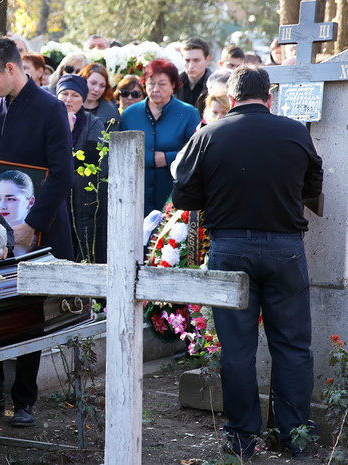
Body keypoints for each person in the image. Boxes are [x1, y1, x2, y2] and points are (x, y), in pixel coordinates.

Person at [172, 65, 323, 460]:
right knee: (292, 346)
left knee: (237, 349)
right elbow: (313, 188)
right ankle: (295, 439)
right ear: (268, 96)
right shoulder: (295, 133)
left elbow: (185, 195)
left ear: (232, 97)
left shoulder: (208, 135)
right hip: (285, 248)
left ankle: (240, 437)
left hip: (230, 247)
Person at [0, 36, 74, 428]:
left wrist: (32, 225)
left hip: (35, 230)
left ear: (11, 68)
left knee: (28, 313)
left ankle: (24, 398)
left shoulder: (51, 108)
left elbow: (63, 174)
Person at [120, 58, 201, 215]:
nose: (155, 88)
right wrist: (149, 158)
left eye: (162, 84)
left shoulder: (189, 113)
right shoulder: (130, 114)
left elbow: (196, 152)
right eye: (151, 83)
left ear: (173, 86)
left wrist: (167, 158)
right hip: (137, 194)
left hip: (173, 195)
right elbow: (121, 152)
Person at [56, 74, 107, 264]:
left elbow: (93, 165)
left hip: (83, 202)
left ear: (83, 99)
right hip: (57, 199)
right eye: (65, 94)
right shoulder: (49, 121)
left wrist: (68, 135)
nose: (69, 99)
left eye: (75, 95)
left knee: (86, 252)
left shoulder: (93, 123)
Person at [79, 63, 120, 128]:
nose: (97, 89)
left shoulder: (111, 111)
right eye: (93, 83)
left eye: (102, 86)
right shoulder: (68, 105)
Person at [176, 37, 212, 107]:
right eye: (187, 60)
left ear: (207, 60)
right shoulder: (174, 84)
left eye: (196, 60)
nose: (191, 66)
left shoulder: (215, 85)